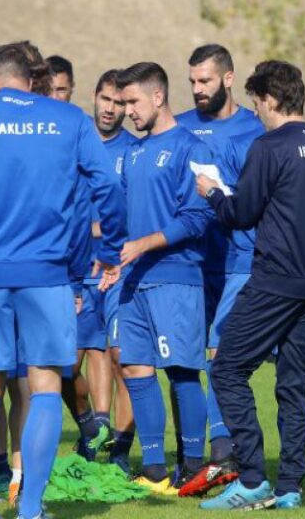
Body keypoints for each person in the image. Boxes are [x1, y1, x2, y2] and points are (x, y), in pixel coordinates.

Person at [0, 43, 127, 519]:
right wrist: (109, 251)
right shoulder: (69, 118)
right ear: (32, 79)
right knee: (44, 389)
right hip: (48, 275)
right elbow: (107, 186)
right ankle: (31, 508)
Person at [196, 60, 305, 510]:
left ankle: (251, 479)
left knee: (227, 370)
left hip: (274, 280)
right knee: (294, 383)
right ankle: (289, 487)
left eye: (257, 104)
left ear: (270, 100)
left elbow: (241, 213)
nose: (257, 113)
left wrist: (212, 193)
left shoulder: (269, 146)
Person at [115, 62, 214, 494]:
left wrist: (144, 243)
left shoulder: (191, 148)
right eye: (123, 103)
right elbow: (123, 217)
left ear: (158, 97)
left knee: (181, 370)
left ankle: (192, 464)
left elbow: (198, 218)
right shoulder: (133, 152)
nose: (127, 111)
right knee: (134, 366)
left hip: (175, 278)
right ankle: (154, 469)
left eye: (133, 102)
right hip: (133, 280)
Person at [175, 44, 265, 495]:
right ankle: (191, 457)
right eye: (192, 81)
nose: (197, 89)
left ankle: (224, 451)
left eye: (205, 80)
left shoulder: (255, 130)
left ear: (228, 79)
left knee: (219, 354)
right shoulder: (178, 127)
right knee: (185, 362)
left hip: (239, 261)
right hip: (191, 263)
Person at [75, 69, 138, 471]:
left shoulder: (133, 149)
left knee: (121, 359)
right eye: (105, 99)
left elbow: (137, 210)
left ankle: (119, 452)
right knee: (67, 364)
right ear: (94, 97)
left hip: (118, 271)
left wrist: (107, 233)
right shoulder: (76, 140)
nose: (111, 109)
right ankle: (91, 428)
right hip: (77, 269)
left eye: (119, 102)